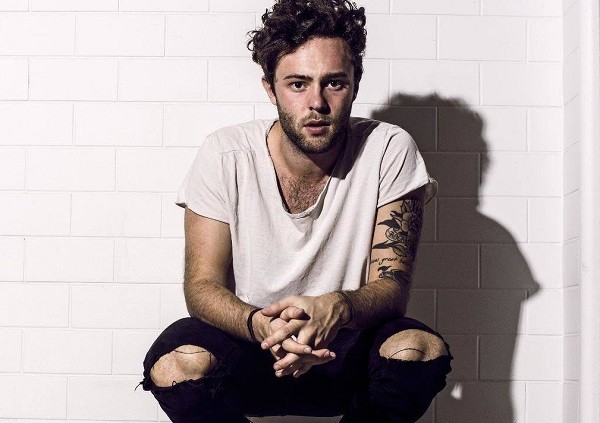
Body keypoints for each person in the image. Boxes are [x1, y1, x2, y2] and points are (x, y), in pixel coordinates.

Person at [141, 1, 453, 421]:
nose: (317, 102)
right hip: (254, 346)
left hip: (344, 353)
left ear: (356, 84)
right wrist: (260, 325)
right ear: (270, 88)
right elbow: (201, 286)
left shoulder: (388, 149)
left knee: (417, 351)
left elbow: (392, 287)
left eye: (334, 83)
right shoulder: (225, 154)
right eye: (298, 84)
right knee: (176, 364)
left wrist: (335, 308)